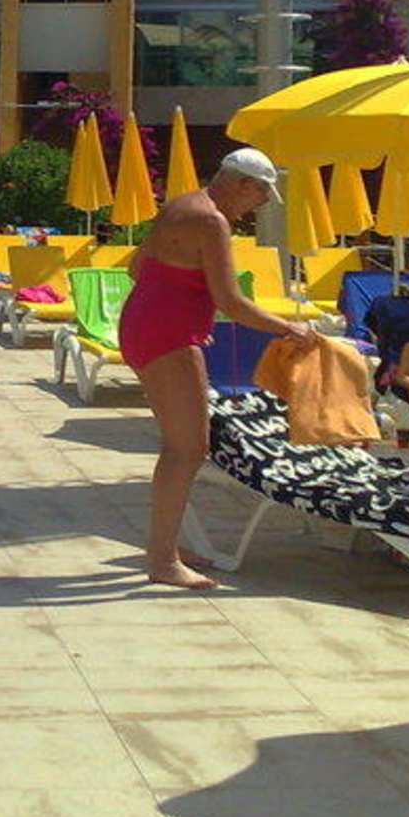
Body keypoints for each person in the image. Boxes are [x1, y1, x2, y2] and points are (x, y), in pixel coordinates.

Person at [121, 148, 318, 591]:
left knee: (182, 447)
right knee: (187, 449)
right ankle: (162, 560)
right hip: (166, 335)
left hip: (147, 326)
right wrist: (290, 328)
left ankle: (163, 549)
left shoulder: (182, 204)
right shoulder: (212, 221)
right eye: (262, 194)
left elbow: (138, 268)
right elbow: (231, 301)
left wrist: (190, 317)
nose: (261, 204)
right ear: (243, 184)